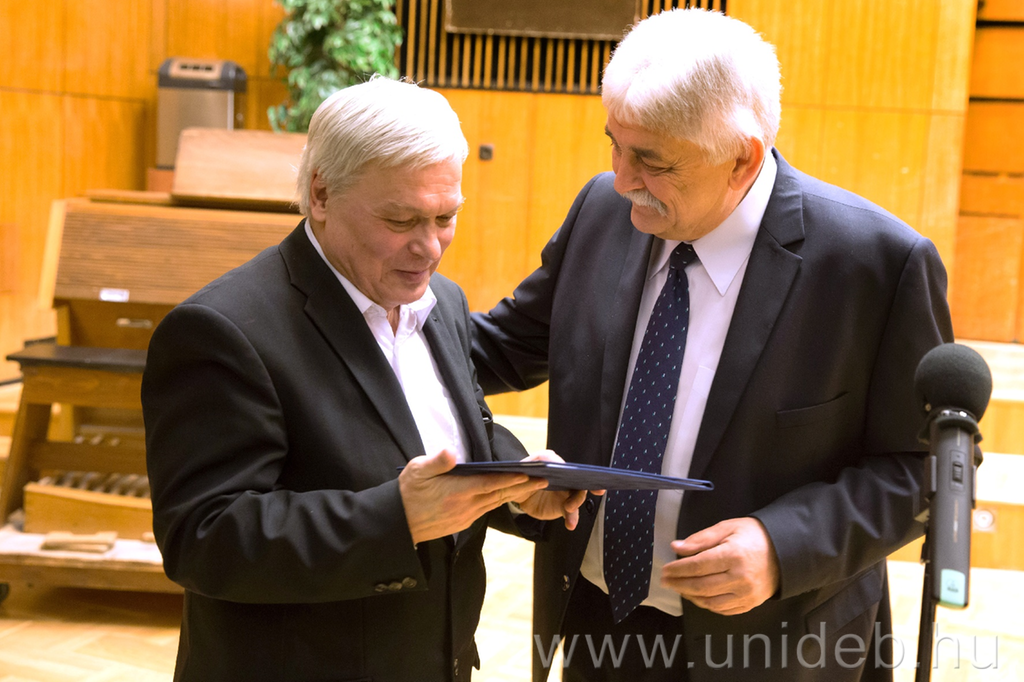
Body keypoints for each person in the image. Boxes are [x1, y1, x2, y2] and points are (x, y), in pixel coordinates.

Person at [471, 9, 953, 682]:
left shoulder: (874, 263)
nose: (621, 178)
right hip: (594, 622)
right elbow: (498, 348)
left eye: (650, 160)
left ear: (742, 159)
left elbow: (926, 467)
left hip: (773, 648)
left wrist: (783, 546)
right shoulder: (602, 211)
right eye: (614, 144)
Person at [142, 76, 586, 682]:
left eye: (446, 217)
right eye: (401, 219)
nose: (430, 248)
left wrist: (514, 485)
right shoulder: (222, 330)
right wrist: (395, 519)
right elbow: (203, 538)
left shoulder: (443, 301)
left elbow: (450, 431)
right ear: (321, 193)